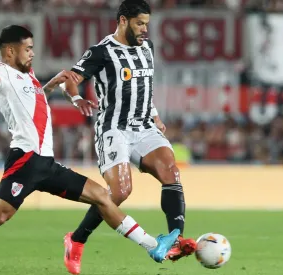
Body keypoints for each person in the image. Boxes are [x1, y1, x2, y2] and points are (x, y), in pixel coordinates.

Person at [0, 25, 181, 275]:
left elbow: (36, 103)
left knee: (102, 197)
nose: (33, 53)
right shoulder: (1, 74)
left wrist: (52, 87)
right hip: (25, 161)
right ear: (10, 50)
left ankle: (152, 246)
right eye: (28, 48)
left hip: (46, 164)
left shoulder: (28, 78)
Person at [60, 1, 196, 273]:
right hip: (114, 128)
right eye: (139, 23)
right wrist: (76, 97)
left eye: (147, 23)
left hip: (144, 126)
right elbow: (69, 79)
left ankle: (175, 239)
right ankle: (76, 239)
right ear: (123, 20)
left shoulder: (148, 47)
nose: (145, 29)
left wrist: (155, 114)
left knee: (171, 171)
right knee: (120, 192)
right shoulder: (101, 52)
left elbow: (142, 85)